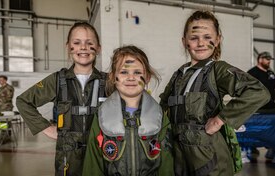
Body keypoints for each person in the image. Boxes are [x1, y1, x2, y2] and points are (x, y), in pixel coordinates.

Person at [159, 10, 270, 176]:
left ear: (217, 40)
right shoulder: (179, 74)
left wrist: (220, 119)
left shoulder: (217, 70)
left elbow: (258, 92)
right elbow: (163, 107)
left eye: (207, 37)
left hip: (208, 155)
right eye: (194, 38)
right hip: (178, 153)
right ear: (184, 42)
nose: (201, 43)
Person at [16, 22, 106, 176]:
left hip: (101, 155)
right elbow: (23, 101)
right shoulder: (57, 80)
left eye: (89, 43)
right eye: (76, 43)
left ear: (98, 48)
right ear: (68, 47)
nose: (83, 47)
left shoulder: (109, 82)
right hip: (68, 158)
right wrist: (47, 128)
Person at [83, 45, 174, 176]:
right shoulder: (102, 116)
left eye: (137, 72)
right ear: (113, 77)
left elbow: (167, 164)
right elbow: (93, 164)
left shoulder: (158, 116)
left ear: (147, 77)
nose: (131, 78)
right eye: (124, 72)